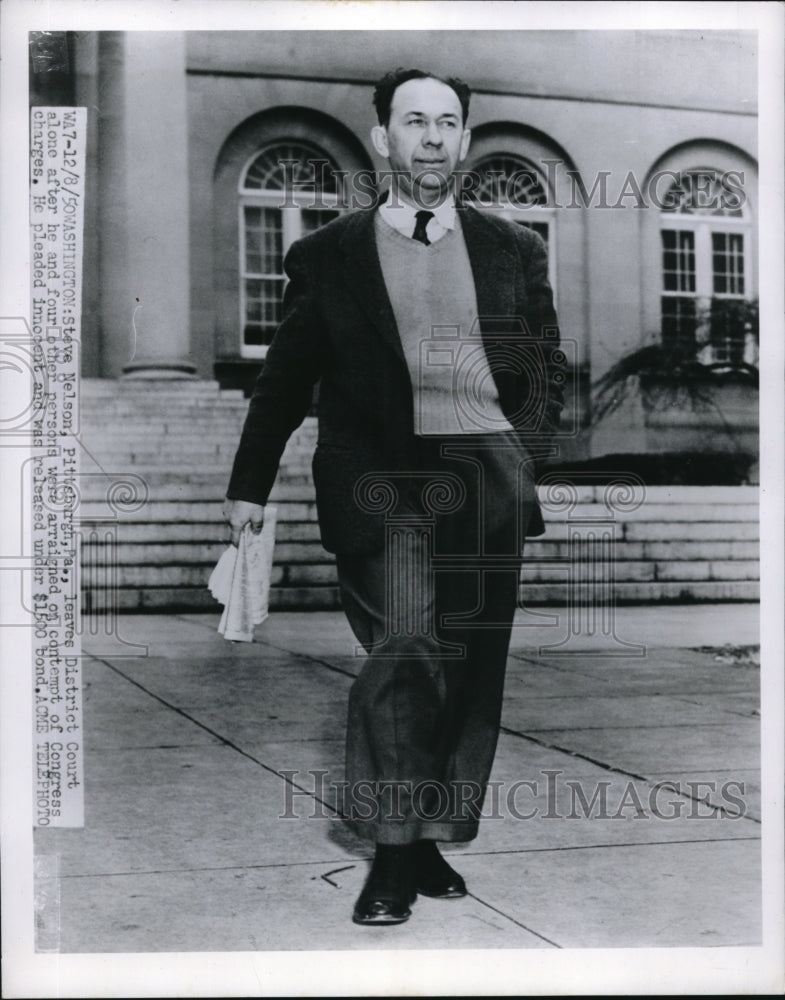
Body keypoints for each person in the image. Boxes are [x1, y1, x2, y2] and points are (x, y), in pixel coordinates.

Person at [223, 68, 564, 925]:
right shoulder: (328, 254)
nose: (433, 138)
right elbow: (284, 380)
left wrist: (525, 453)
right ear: (383, 139)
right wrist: (248, 486)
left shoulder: (511, 245)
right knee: (403, 645)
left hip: (483, 468)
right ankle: (388, 849)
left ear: (463, 138)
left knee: (466, 664)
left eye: (448, 122)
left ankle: (428, 832)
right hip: (379, 477)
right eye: (415, 122)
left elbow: (542, 366)